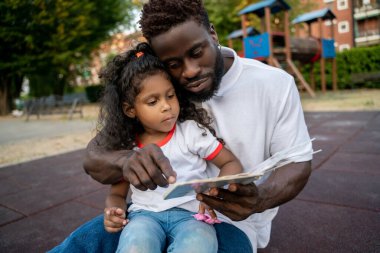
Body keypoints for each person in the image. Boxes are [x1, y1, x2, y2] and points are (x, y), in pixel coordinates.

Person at [49, 0, 313, 252]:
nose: (189, 71)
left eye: (197, 52)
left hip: (228, 221)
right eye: (174, 64)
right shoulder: (163, 86)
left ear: (213, 34)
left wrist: (260, 198)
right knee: (78, 245)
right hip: (148, 216)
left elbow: (298, 163)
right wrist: (128, 161)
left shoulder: (274, 84)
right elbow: (94, 157)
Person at [100, 42, 243, 252]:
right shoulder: (129, 148)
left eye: (170, 95)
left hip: (191, 216)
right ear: (131, 110)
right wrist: (113, 210)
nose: (166, 106)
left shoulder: (190, 132)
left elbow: (231, 163)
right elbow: (118, 194)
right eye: (152, 101)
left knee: (199, 244)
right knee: (135, 246)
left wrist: (216, 191)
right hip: (144, 216)